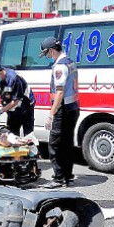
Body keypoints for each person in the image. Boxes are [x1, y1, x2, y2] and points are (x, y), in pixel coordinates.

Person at [39, 37, 80, 189]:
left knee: (54, 144)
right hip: (73, 107)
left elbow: (60, 93)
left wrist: (51, 114)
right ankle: (67, 177)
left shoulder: (60, 67)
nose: (48, 57)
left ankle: (58, 178)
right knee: (67, 144)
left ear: (51, 50)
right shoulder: (70, 62)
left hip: (63, 109)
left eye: (47, 54)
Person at [0, 63, 36, 137]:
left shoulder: (13, 78)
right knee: (12, 135)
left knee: (29, 135)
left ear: (1, 73)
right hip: (10, 108)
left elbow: (16, 100)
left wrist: (0, 112)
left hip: (25, 106)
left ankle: (32, 147)